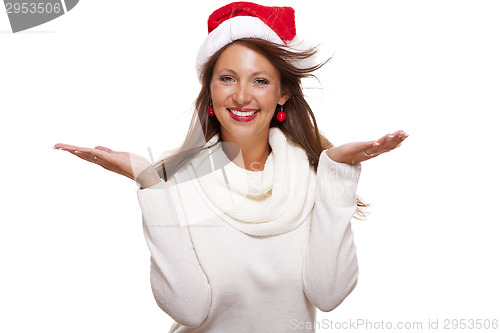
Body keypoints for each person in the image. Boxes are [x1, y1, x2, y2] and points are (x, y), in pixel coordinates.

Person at [53, 2, 408, 332]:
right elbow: (189, 309)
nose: (241, 96)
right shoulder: (175, 181)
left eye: (260, 80)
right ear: (209, 90)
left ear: (282, 94)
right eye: (227, 78)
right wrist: (150, 181)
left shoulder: (312, 181)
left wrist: (336, 173)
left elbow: (328, 294)